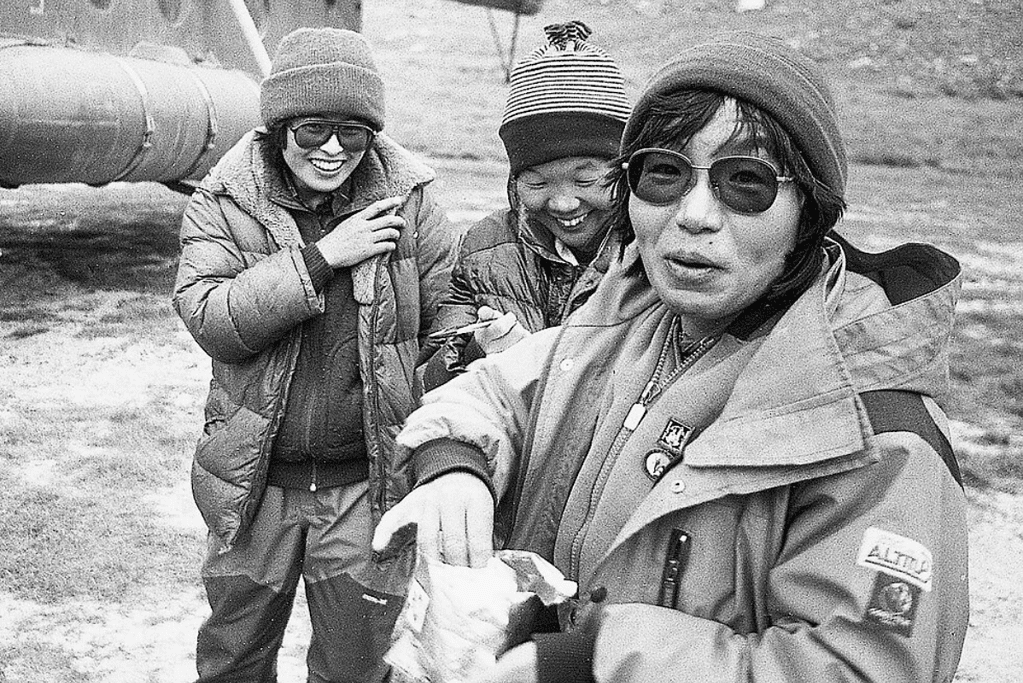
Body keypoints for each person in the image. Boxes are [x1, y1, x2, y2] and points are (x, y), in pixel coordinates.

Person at [374, 32, 969, 683]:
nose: (693, 214)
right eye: (664, 172)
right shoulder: (622, 320)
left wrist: (593, 664)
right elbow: (490, 393)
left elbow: (858, 668)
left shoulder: (875, 431)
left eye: (745, 182)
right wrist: (456, 466)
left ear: (809, 212)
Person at [172, 27, 459, 683]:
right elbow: (212, 318)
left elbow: (451, 311)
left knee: (356, 666)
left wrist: (471, 343)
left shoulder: (409, 202)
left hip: (364, 487)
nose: (333, 150)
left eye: (352, 134)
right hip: (253, 489)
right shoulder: (226, 197)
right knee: (233, 660)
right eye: (312, 132)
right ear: (278, 128)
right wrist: (323, 257)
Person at [418, 20, 631, 391]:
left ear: (625, 171)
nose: (564, 203)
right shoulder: (485, 248)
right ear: (515, 182)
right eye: (537, 183)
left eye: (585, 181)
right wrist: (473, 354)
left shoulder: (656, 250)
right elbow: (426, 384)